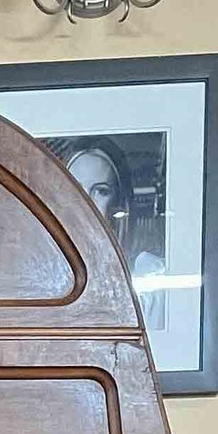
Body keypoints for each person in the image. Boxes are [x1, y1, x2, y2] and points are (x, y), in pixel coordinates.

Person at [51, 136, 168, 334]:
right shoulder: (43, 280)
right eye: (75, 188)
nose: (85, 201)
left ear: (119, 203)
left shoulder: (149, 277)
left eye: (101, 191)